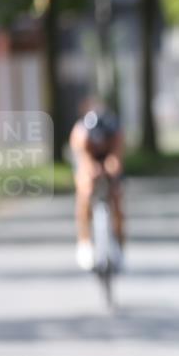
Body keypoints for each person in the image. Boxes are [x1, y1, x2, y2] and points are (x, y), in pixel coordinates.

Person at [69, 102, 125, 270]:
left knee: (116, 195)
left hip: (108, 157)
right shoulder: (80, 135)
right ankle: (84, 242)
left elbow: (116, 159)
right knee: (85, 191)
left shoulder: (116, 133)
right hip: (87, 158)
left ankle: (119, 243)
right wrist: (91, 170)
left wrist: (111, 167)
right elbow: (84, 161)